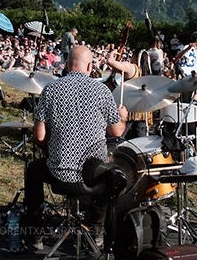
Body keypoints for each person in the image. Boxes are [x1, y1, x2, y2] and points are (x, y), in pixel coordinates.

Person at [24, 46, 127, 249]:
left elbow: (39, 136)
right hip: (92, 176)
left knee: (34, 170)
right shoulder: (102, 91)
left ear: (66, 65)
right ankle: (96, 230)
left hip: (59, 175)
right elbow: (116, 133)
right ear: (89, 66)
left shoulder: (50, 89)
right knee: (113, 174)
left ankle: (34, 235)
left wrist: (50, 149)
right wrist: (122, 117)